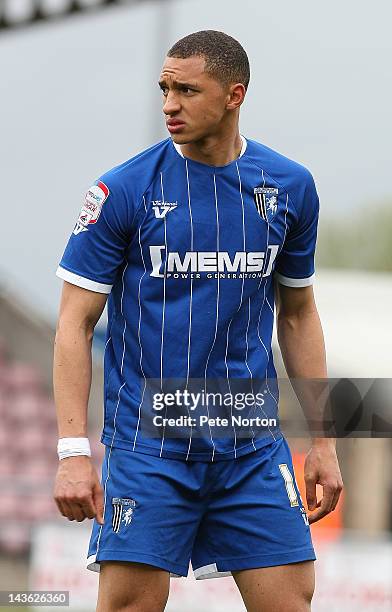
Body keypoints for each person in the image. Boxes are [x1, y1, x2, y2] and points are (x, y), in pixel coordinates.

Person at [53, 30, 343, 612]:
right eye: (164, 88)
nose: (168, 104)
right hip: (148, 448)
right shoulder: (122, 191)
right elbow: (74, 325)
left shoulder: (289, 187)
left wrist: (325, 442)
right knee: (129, 605)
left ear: (234, 95)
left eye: (187, 90)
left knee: (292, 600)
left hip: (252, 447)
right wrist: (72, 451)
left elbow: (299, 313)